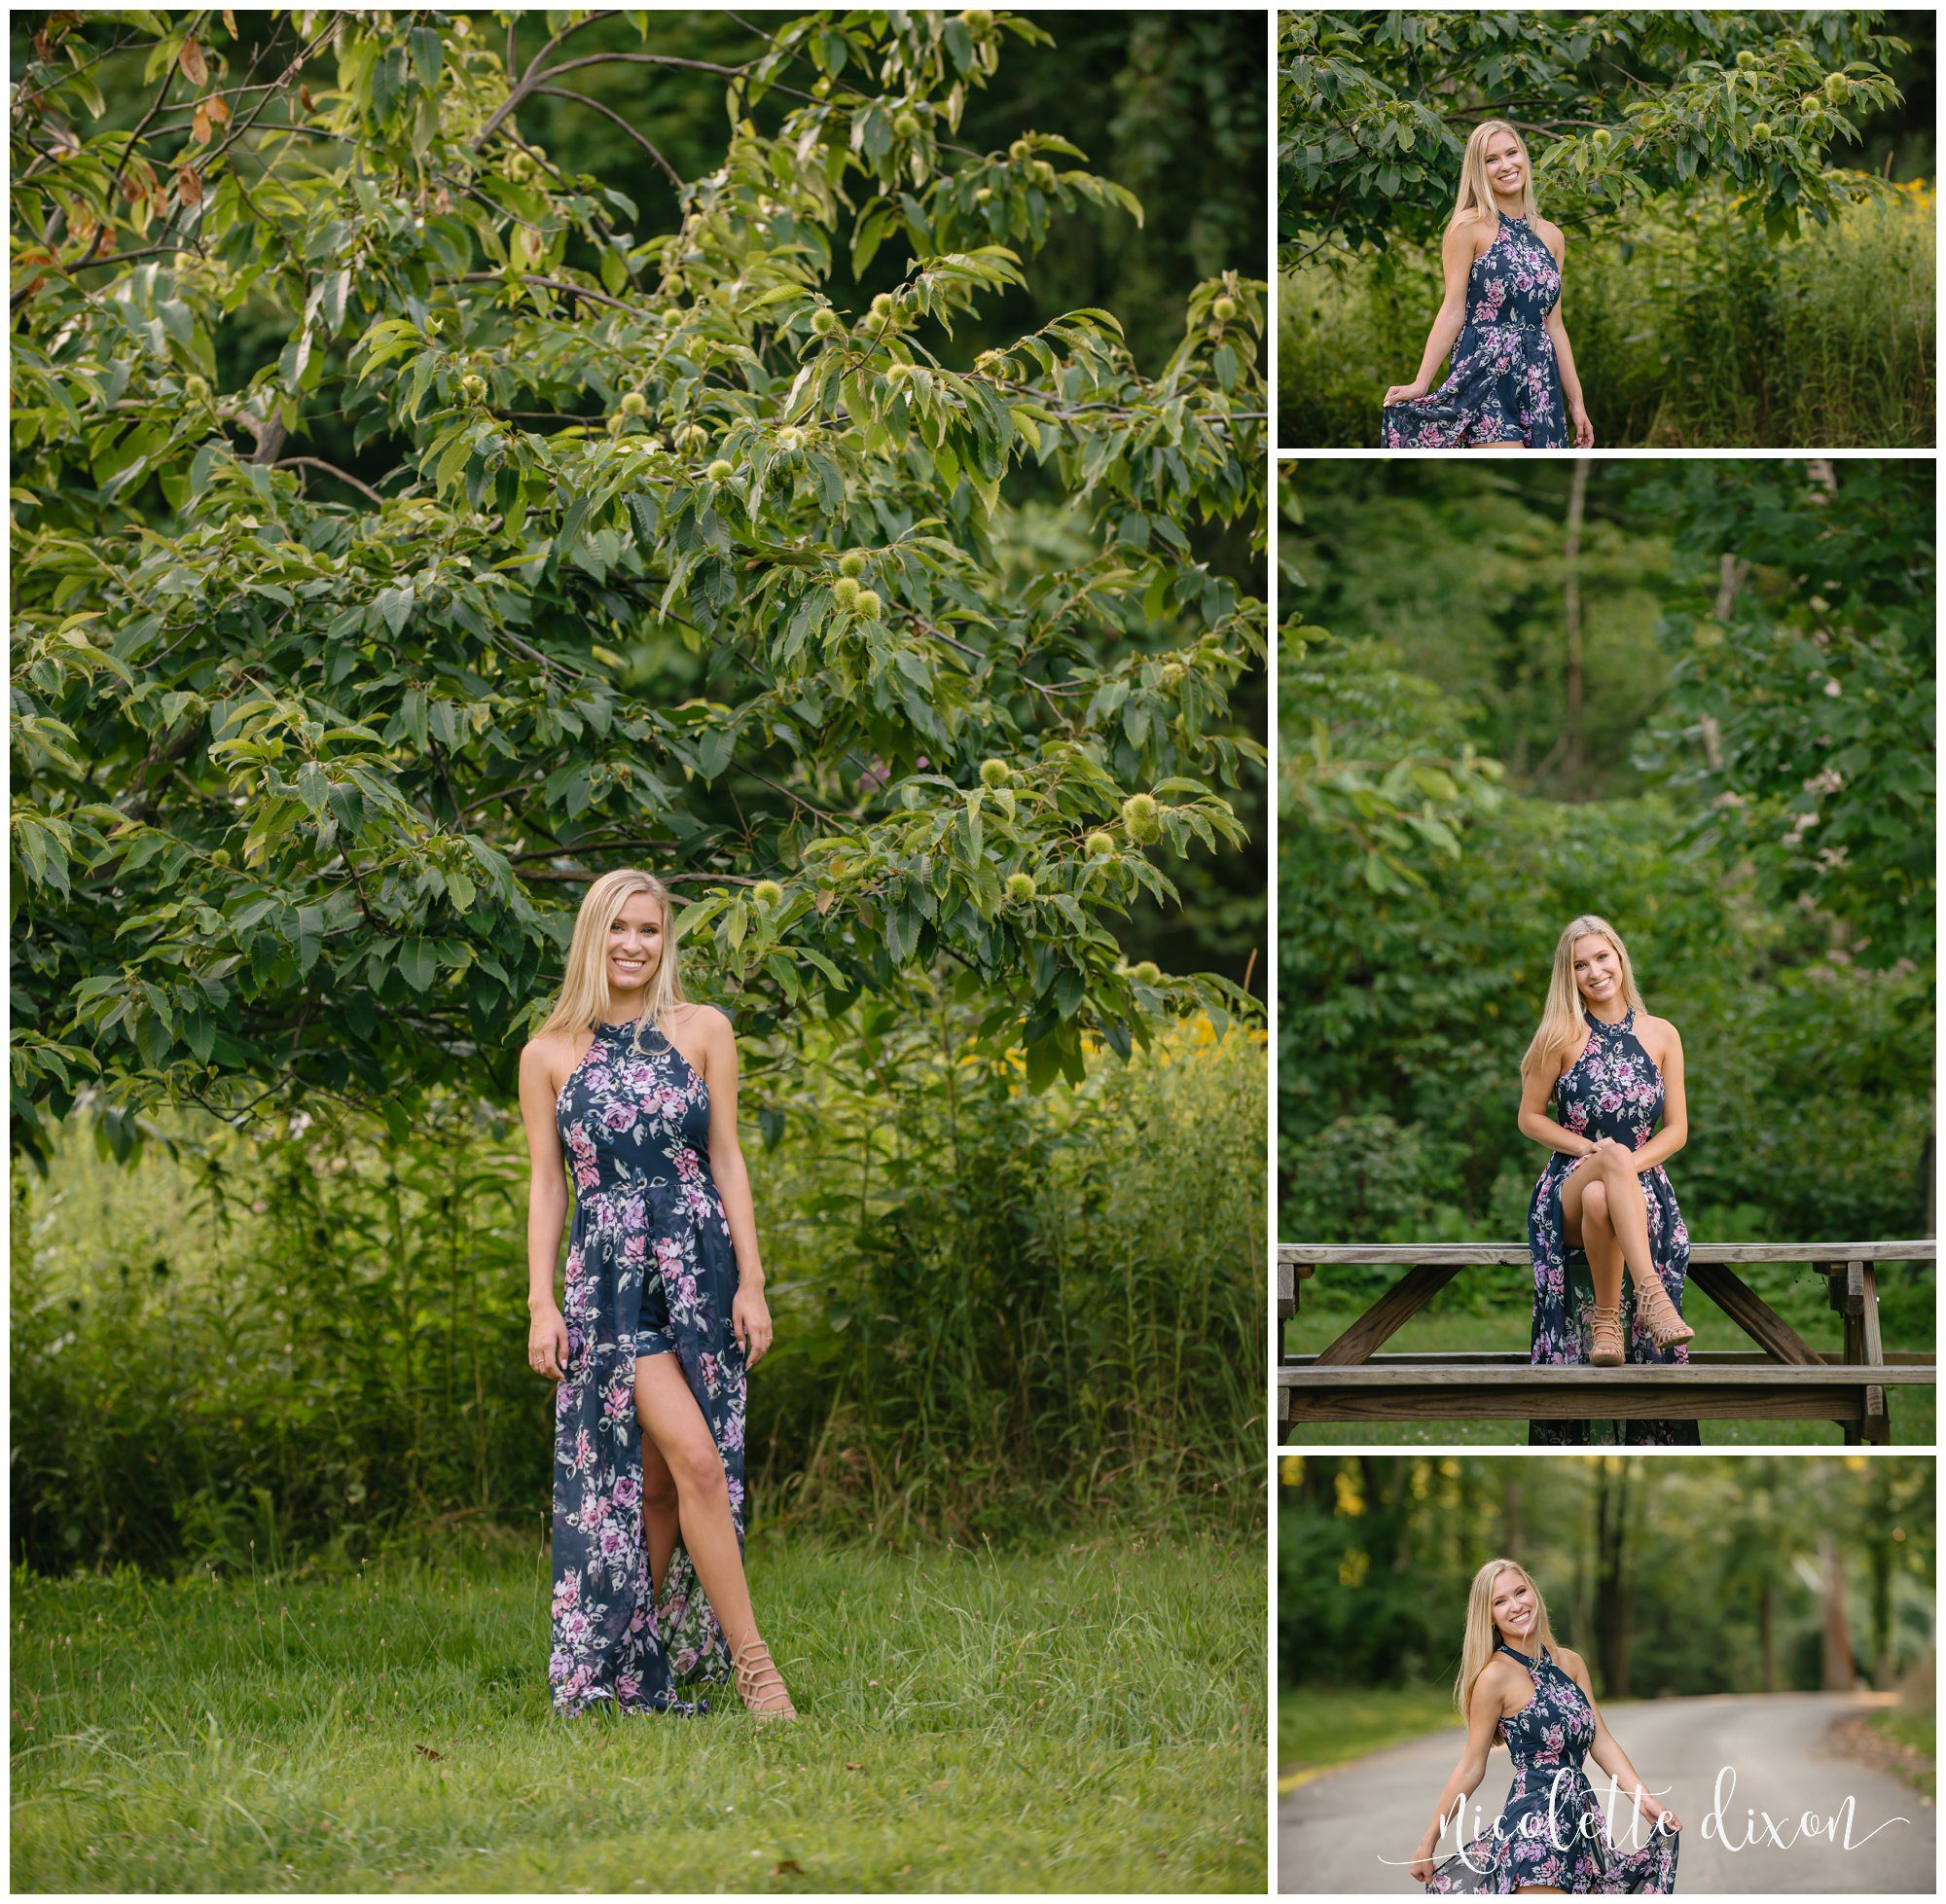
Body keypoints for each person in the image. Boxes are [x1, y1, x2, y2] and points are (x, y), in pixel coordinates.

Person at [519, 867, 796, 1720]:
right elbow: (547, 1186)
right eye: (617, 928)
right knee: (699, 1464)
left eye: (649, 929)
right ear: (590, 937)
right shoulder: (549, 1052)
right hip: (608, 1286)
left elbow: (727, 1159)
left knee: (668, 1482)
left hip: (699, 1271)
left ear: (664, 939)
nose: (633, 944)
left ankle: (625, 1655)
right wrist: (540, 1301)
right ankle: (757, 1669)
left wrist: (752, 1280)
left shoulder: (704, 1030)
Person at [1518, 916, 1695, 1446]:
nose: (1594, 972)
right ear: (1567, 976)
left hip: (1638, 1186)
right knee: (1595, 1182)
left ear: (1620, 958)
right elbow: (1530, 1117)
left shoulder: (1662, 1034)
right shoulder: (1559, 1036)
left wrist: (1622, 1167)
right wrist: (1591, 1150)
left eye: (1602, 957)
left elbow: (1679, 1130)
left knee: (1606, 1195)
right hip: (1569, 1180)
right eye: (1580, 965)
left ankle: (1606, 1324)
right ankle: (1652, 1296)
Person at [1413, 1559, 1681, 1893]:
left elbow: (1601, 1741)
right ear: (1490, 1616)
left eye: (1520, 1592)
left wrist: (1644, 1800)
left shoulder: (1570, 1663)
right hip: (1534, 1830)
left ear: (1534, 1594)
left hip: (1583, 1825)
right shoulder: (1494, 1678)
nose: (1516, 1605)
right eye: (1500, 1601)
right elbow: (1470, 1767)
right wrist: (1428, 1842)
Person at [1382, 120, 1593, 449]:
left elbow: (1555, 326)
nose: (1506, 165)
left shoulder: (1552, 236)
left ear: (1524, 157)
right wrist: (1421, 382)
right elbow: (1453, 310)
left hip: (1539, 379)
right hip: (1485, 372)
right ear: (1479, 170)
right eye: (1492, 159)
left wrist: (1577, 401)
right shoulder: (1468, 228)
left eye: (1512, 153)